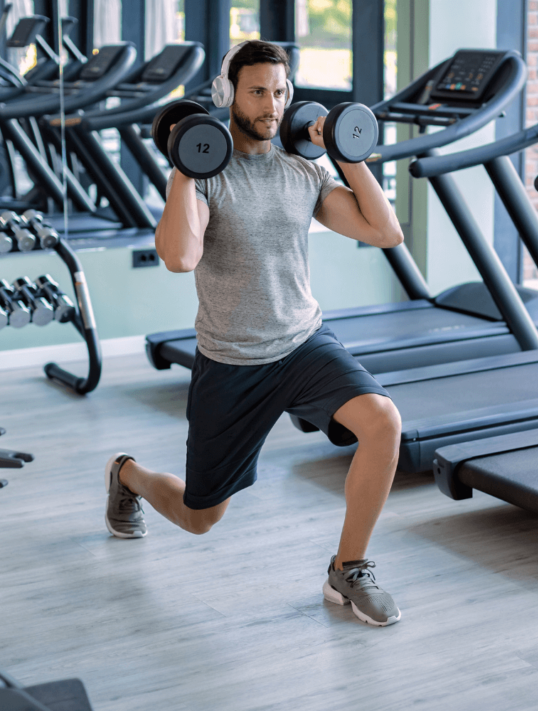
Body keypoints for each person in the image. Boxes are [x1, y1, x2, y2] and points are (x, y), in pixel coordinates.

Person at [104, 40, 404, 627]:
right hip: (233, 360)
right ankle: (128, 474)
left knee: (383, 422)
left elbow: (384, 231)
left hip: (301, 343)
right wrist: (185, 169)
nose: (272, 104)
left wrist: (345, 152)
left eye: (281, 91)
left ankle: (349, 567)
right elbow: (181, 257)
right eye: (258, 91)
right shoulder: (210, 177)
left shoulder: (302, 171)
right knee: (200, 518)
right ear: (230, 97)